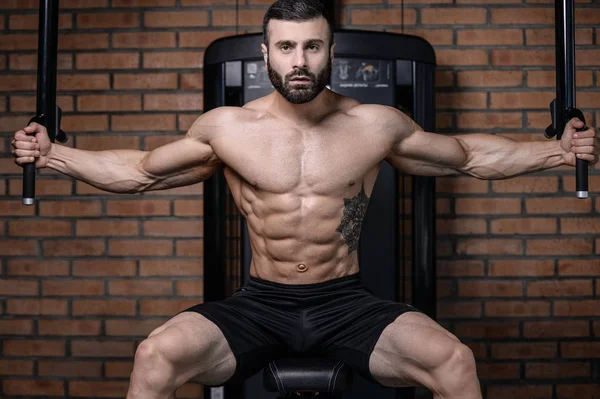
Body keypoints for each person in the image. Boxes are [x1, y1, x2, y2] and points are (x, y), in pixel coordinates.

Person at [11, 1, 599, 398]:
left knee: (454, 362)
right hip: (259, 303)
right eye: (286, 47)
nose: (299, 61)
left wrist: (555, 151)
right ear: (265, 55)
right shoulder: (227, 129)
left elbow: (468, 156)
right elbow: (138, 172)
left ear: (330, 52)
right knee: (155, 357)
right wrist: (55, 155)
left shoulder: (375, 124)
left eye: (312, 47)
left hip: (347, 302)